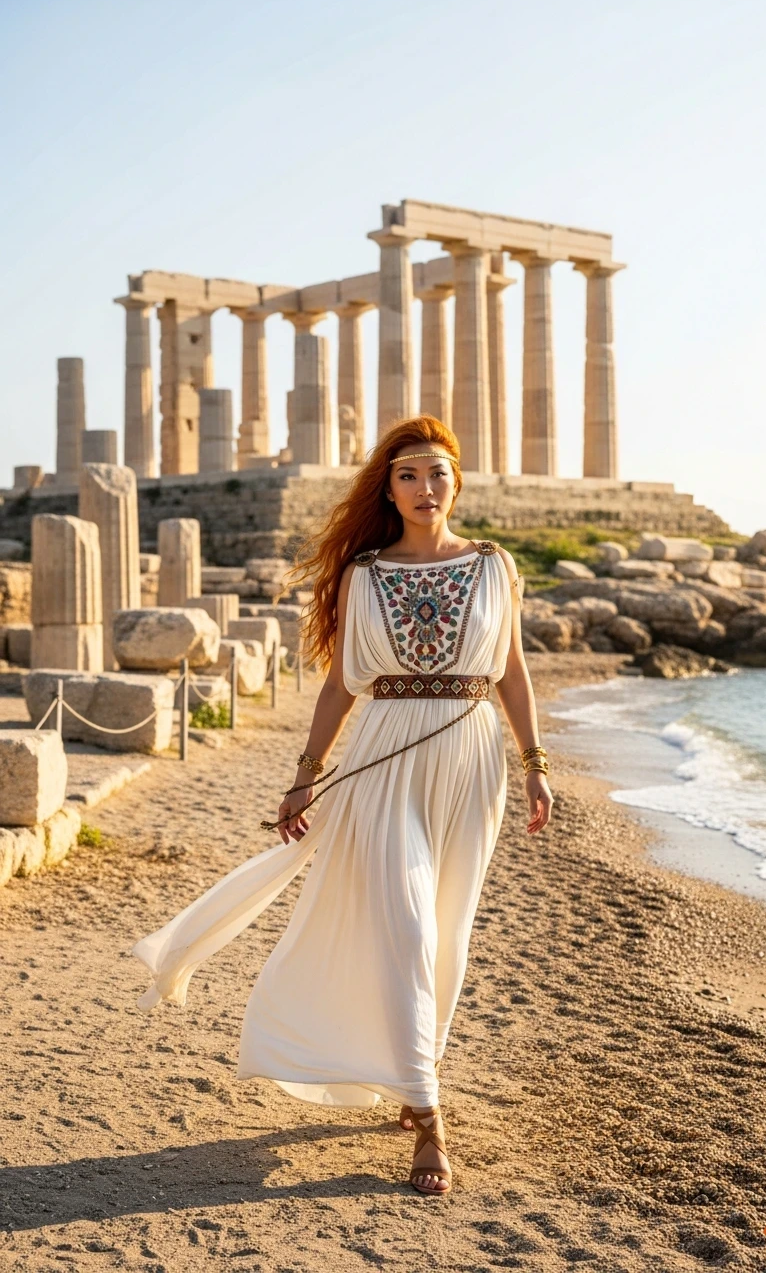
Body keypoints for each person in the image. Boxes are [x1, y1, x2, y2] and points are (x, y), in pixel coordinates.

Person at [131, 414, 553, 1197]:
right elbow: (338, 686)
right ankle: (428, 1117)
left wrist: (534, 765)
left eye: (438, 473)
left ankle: (406, 1068)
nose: (426, 488)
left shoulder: (496, 566)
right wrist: (303, 774)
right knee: (405, 921)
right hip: (382, 760)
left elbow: (514, 674)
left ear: (457, 481)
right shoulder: (365, 574)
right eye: (408, 476)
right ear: (387, 490)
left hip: (470, 764)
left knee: (445, 937)